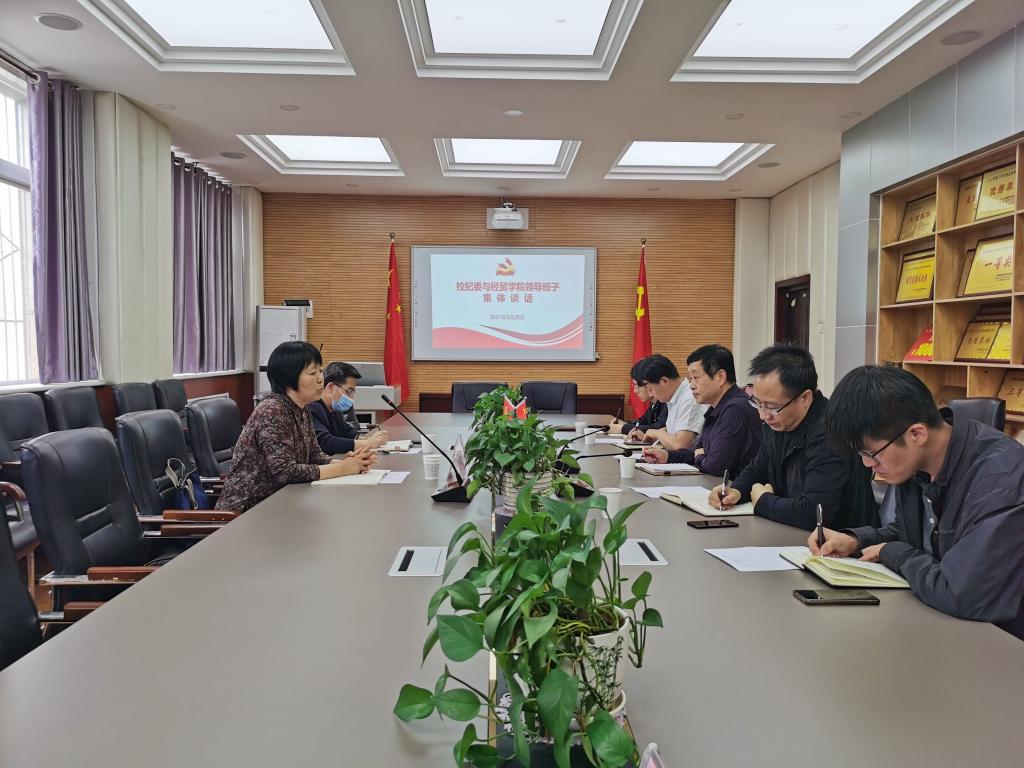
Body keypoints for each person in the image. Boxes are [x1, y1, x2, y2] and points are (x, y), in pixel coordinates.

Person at [809, 365, 1024, 639]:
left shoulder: (1000, 479)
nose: (867, 465)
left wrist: (894, 553)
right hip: (940, 626)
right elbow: (915, 533)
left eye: (870, 454)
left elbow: (962, 594)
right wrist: (857, 540)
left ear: (917, 434)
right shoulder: (916, 463)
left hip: (1000, 643)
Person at [710, 343, 876, 531]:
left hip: (839, 542)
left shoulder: (831, 435)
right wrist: (736, 490)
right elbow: (758, 468)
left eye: (772, 407)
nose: (763, 415)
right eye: (758, 403)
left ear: (805, 398)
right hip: (790, 534)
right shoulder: (778, 423)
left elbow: (814, 514)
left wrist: (763, 501)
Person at [216, 342, 377, 513]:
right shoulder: (272, 410)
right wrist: (342, 468)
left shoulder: (303, 408)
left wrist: (349, 463)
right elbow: (285, 472)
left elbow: (315, 455)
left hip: (283, 502)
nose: (321, 379)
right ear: (289, 378)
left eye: (321, 371)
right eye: (312, 373)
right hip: (247, 512)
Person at [642, 345, 761, 478]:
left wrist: (699, 456)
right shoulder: (716, 407)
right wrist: (667, 456)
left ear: (720, 377)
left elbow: (715, 467)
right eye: (690, 379)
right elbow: (697, 451)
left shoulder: (735, 409)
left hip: (731, 489)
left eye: (696, 377)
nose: (691, 385)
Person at [628, 354, 707, 450]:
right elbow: (673, 433)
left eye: (650, 389)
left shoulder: (689, 399)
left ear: (664, 381)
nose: (650, 394)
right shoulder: (674, 397)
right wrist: (651, 437)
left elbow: (680, 445)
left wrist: (655, 433)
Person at [310, 361, 389, 454]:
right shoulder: (312, 407)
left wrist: (362, 438)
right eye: (349, 391)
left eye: (353, 392)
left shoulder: (335, 408)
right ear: (330, 387)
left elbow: (346, 431)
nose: (351, 398)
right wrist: (367, 443)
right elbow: (325, 442)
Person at [608, 356, 667, 435]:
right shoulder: (654, 403)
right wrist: (624, 424)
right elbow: (642, 422)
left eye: (637, 385)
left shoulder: (666, 400)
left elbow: (658, 428)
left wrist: (623, 428)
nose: (635, 391)